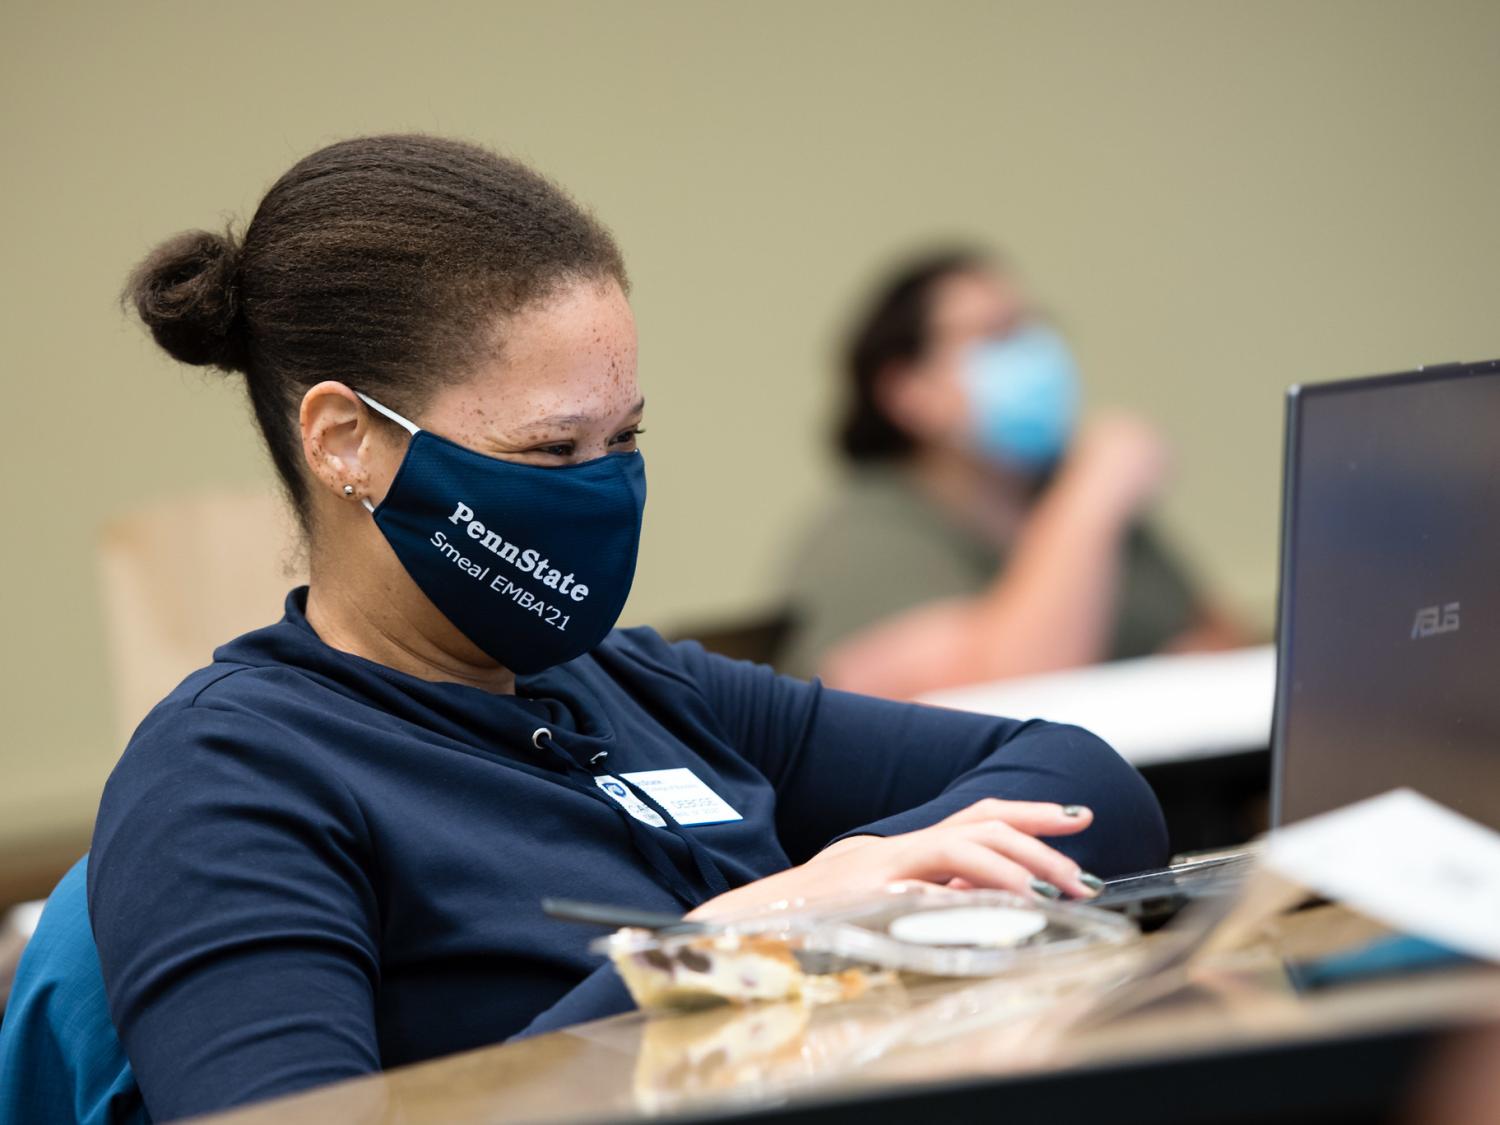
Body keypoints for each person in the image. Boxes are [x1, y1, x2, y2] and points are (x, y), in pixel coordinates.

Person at [89, 137, 1168, 1121]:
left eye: (626, 437)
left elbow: (1084, 784)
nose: (605, 486)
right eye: (555, 452)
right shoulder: (233, 775)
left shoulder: (638, 688)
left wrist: (866, 890)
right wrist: (736, 945)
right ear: (346, 443)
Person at [777, 250, 1243, 698]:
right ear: (908, 391)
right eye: (997, 335)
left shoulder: (1065, 492)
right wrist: (1093, 493)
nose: (1036, 354)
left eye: (1034, 327)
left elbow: (1227, 653)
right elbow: (1009, 695)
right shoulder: (864, 536)